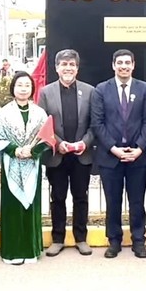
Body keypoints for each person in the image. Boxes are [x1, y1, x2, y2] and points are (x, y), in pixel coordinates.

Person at [90, 49, 146, 259]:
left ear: (133, 65)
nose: (124, 66)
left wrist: (139, 149)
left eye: (128, 62)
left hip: (138, 157)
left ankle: (138, 241)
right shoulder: (101, 90)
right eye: (120, 62)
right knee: (113, 201)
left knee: (137, 202)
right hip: (111, 157)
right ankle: (114, 241)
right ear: (113, 65)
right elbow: (97, 124)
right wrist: (114, 149)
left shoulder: (144, 89)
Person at [37, 49, 95, 257]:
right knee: (58, 198)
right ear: (57, 68)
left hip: (82, 155)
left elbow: (94, 124)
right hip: (56, 155)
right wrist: (58, 143)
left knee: (81, 197)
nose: (68, 68)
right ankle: (58, 239)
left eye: (72, 65)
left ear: (77, 68)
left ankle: (81, 238)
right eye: (64, 64)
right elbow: (42, 124)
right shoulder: (46, 92)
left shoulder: (90, 91)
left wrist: (84, 143)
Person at [0, 71, 52, 265]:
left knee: (31, 207)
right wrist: (15, 150)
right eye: (19, 85)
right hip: (11, 164)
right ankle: (11, 252)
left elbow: (47, 138)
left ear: (32, 89)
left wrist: (33, 151)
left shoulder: (39, 113)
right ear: (13, 88)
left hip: (32, 165)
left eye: (27, 85)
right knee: (12, 208)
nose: (23, 89)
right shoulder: (4, 113)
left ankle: (31, 250)